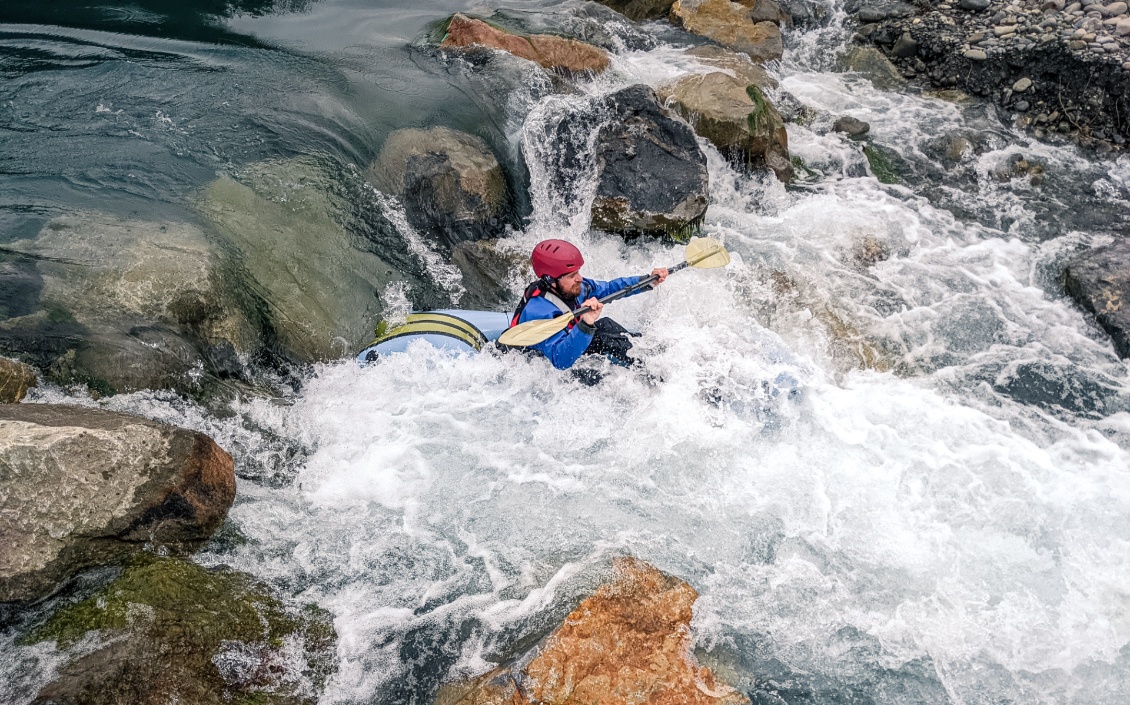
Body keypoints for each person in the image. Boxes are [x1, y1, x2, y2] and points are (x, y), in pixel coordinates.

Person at [507, 239, 668, 370]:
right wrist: (586, 323)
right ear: (551, 280)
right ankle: (649, 373)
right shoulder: (539, 312)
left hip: (567, 343)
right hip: (539, 365)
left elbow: (610, 288)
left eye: (578, 272)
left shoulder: (574, 287)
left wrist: (647, 281)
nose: (580, 278)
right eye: (572, 275)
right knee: (600, 339)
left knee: (606, 325)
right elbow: (560, 360)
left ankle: (653, 357)